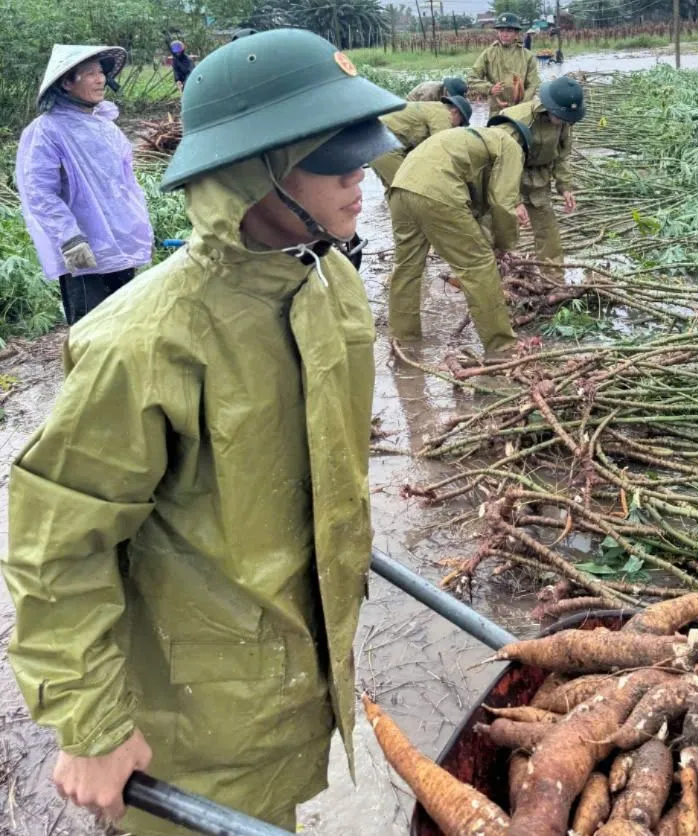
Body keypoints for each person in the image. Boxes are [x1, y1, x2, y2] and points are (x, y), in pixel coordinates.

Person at [2, 28, 405, 835]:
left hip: (295, 674)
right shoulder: (146, 343)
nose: (363, 176)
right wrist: (92, 727)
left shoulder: (327, 282)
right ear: (256, 166)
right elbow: (58, 544)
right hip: (195, 711)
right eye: (335, 159)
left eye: (365, 153)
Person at [15, 45, 153, 326]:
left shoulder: (107, 127)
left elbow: (125, 186)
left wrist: (139, 226)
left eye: (101, 72)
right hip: (84, 253)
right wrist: (69, 237)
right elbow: (39, 192)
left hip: (120, 245)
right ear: (66, 83)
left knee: (126, 330)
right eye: (89, 73)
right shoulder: (47, 131)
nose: (100, 79)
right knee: (91, 334)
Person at [387, 121, 530, 356]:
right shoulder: (512, 146)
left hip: (401, 187)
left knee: (407, 267)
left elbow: (477, 207)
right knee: (478, 265)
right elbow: (503, 204)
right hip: (436, 191)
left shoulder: (471, 138)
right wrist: (505, 244)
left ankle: (404, 340)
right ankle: (502, 347)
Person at [489, 75, 585, 278]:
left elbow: (561, 156)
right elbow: (500, 165)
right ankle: (495, 276)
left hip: (537, 179)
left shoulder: (565, 122)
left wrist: (565, 187)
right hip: (505, 177)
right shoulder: (516, 121)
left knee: (547, 230)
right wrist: (514, 201)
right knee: (503, 230)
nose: (564, 123)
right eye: (561, 117)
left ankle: (553, 280)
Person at [371, 95, 472, 188]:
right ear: (455, 112)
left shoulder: (432, 108)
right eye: (460, 123)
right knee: (409, 187)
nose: (457, 127)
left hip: (370, 141)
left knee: (393, 190)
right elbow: (441, 149)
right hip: (381, 144)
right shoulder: (444, 115)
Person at [467, 12, 540, 117]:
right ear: (498, 32)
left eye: (509, 31)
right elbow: (471, 78)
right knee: (497, 133)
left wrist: (521, 103)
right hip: (497, 111)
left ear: (516, 33)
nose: (504, 34)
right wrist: (490, 88)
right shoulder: (488, 54)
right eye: (501, 30)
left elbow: (533, 84)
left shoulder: (527, 56)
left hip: (521, 111)